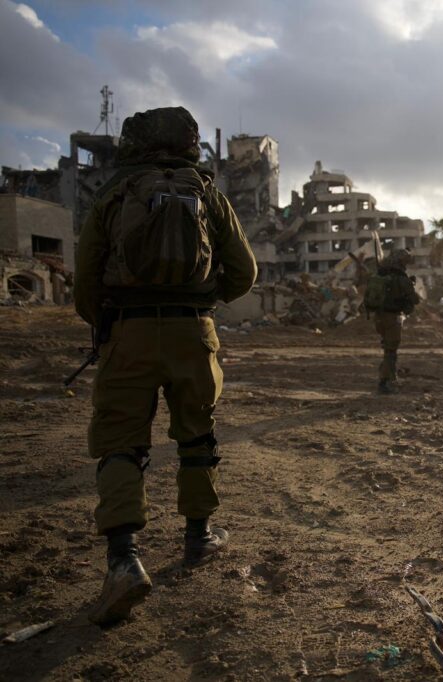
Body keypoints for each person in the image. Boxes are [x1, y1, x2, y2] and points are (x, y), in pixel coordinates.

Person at [73, 106, 258, 626]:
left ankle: (124, 560)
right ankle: (199, 538)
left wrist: (108, 320)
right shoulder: (209, 195)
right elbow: (244, 272)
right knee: (198, 435)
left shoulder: (113, 193)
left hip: (127, 334)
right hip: (193, 332)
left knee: (120, 441)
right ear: (189, 144)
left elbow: (84, 281)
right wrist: (202, 300)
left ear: (133, 144)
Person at [370, 248, 420, 394]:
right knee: (391, 351)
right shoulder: (401, 278)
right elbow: (415, 300)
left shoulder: (380, 276)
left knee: (388, 348)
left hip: (378, 317)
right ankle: (384, 383)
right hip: (392, 317)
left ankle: (390, 378)